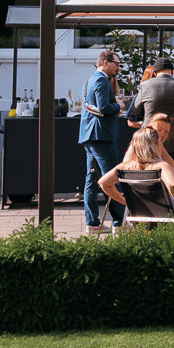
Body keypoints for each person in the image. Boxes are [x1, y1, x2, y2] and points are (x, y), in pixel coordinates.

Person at [99, 127, 174, 224]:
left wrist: (126, 202)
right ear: (154, 145)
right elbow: (173, 184)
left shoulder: (124, 167)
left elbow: (103, 183)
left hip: (143, 217)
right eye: (160, 143)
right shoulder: (160, 166)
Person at [79, 49, 125, 234]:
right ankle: (119, 221)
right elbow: (104, 108)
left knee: (91, 180)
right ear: (105, 62)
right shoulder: (101, 80)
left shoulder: (90, 80)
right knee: (113, 178)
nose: (118, 68)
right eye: (116, 64)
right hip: (101, 137)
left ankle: (93, 224)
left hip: (90, 136)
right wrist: (119, 105)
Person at [126, 56, 174, 159]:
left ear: (155, 73)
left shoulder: (145, 86)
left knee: (151, 171)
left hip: (150, 141)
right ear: (172, 72)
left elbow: (134, 113)